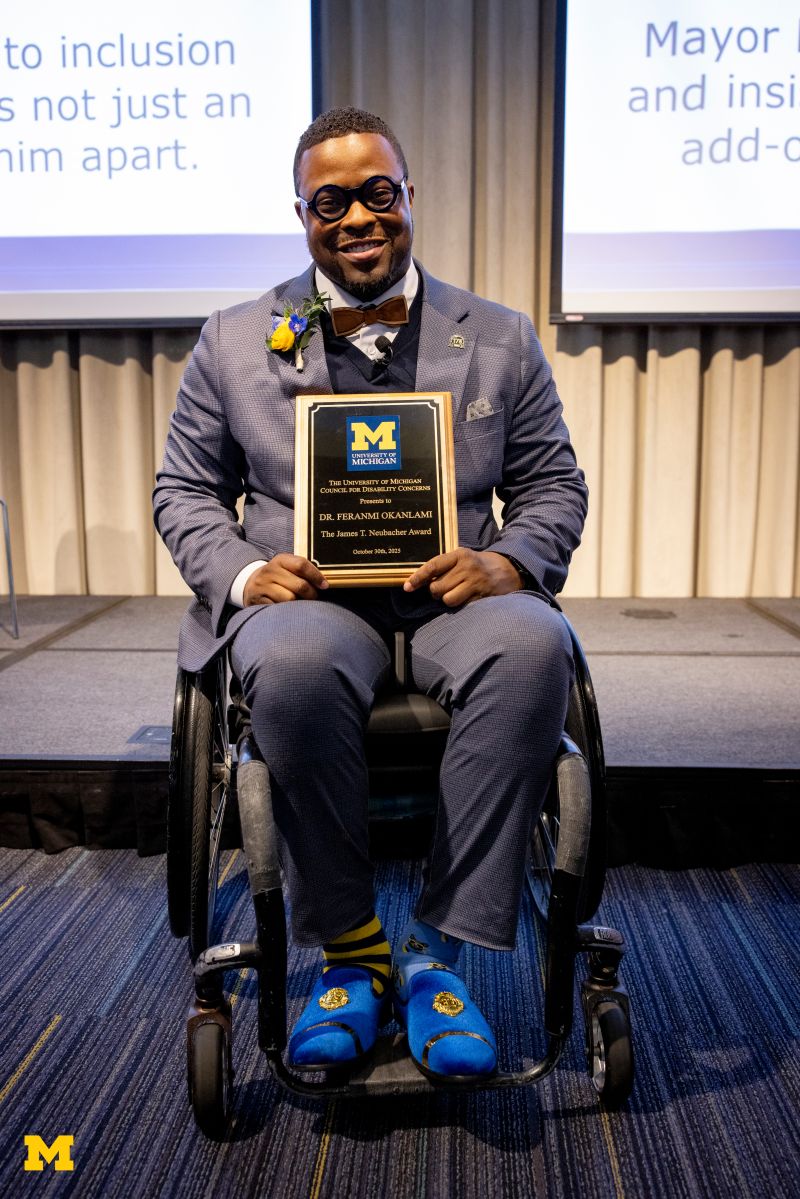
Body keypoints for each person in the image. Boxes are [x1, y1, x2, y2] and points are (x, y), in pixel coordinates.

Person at [154, 107, 587, 1081]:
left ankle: (436, 952)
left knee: (533, 645)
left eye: (377, 193)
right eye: (331, 201)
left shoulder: (500, 336)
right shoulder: (233, 340)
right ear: (303, 216)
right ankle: (351, 951)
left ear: (408, 198)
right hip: (306, 604)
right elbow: (182, 490)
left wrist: (512, 562)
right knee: (293, 664)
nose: (357, 216)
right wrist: (242, 573)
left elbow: (554, 485)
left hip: (457, 599)